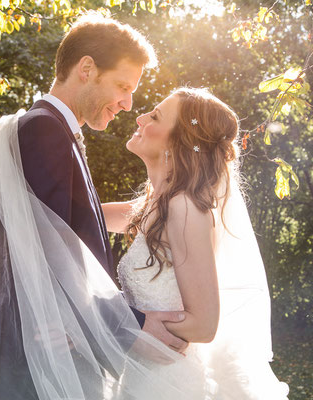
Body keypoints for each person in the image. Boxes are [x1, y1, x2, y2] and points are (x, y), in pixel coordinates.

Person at [0, 14, 203, 400]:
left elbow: (66, 238)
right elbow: (54, 250)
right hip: (36, 357)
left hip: (52, 343)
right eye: (123, 87)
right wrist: (132, 325)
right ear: (87, 69)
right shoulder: (45, 130)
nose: (127, 104)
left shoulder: (52, 128)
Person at [103, 86, 290, 399]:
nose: (139, 117)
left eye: (154, 116)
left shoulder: (184, 207)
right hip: (142, 377)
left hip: (168, 385)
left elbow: (204, 325)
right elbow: (85, 214)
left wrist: (125, 323)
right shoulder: (155, 204)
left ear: (178, 142)